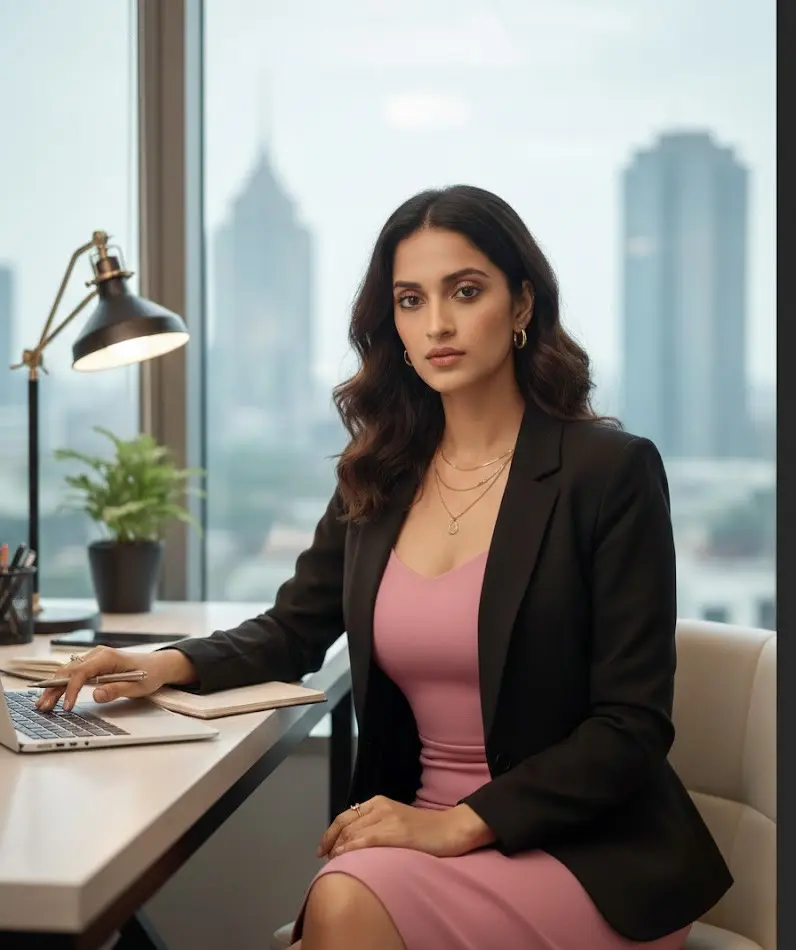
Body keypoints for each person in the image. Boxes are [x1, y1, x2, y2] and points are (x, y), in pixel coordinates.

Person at [38, 185, 733, 950]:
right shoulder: (380, 474)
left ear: (523, 303)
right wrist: (158, 663)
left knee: (342, 903)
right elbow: (292, 629)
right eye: (410, 299)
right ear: (392, 323)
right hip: (408, 833)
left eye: (465, 292)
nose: (436, 323)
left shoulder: (609, 472)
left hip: (586, 856)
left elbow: (631, 726)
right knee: (347, 896)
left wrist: (455, 826)